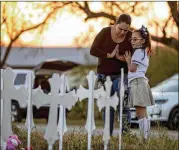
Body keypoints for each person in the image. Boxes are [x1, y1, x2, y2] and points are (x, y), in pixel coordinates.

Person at [90, 13, 133, 136]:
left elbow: (135, 57)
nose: (123, 32)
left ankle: (125, 135)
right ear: (115, 24)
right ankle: (107, 135)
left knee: (123, 104)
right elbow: (93, 50)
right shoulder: (105, 32)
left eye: (126, 30)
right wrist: (109, 55)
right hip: (104, 75)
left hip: (122, 75)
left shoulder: (130, 36)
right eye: (121, 29)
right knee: (107, 106)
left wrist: (122, 58)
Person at [120, 25, 155, 140]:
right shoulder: (143, 51)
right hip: (140, 82)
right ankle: (146, 138)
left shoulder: (138, 52)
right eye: (131, 39)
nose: (132, 41)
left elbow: (132, 68)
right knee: (143, 113)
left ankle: (145, 139)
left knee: (140, 113)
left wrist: (128, 60)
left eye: (135, 39)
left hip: (137, 83)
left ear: (143, 41)